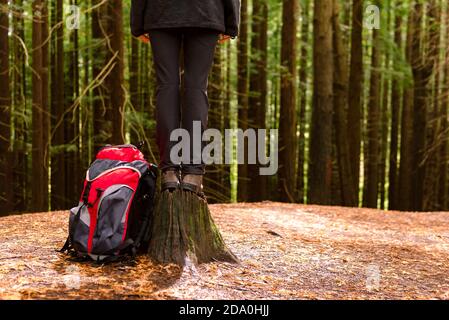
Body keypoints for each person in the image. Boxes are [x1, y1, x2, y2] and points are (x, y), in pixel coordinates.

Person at [131, 0, 240, 196]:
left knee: (166, 87)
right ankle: (193, 174)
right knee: (196, 88)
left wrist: (138, 23)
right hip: (207, 11)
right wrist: (231, 22)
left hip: (160, 12)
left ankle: (169, 172)